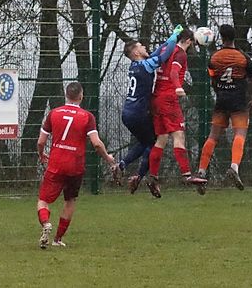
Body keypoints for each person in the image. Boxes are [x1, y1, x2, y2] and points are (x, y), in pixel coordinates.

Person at [36, 82, 116, 249]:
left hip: (56, 163)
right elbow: (96, 144)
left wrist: (41, 154)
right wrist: (108, 158)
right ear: (81, 96)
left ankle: (46, 223)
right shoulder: (87, 116)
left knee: (43, 200)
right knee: (70, 200)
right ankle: (57, 239)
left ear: (66, 95)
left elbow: (41, 141)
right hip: (75, 166)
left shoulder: (54, 113)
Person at [117, 25, 182, 194]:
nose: (145, 47)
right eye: (141, 46)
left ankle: (123, 165)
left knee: (145, 142)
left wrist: (168, 40)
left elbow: (157, 52)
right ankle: (141, 176)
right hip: (139, 112)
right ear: (136, 52)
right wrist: (174, 37)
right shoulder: (146, 65)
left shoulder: (136, 65)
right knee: (153, 143)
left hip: (127, 112)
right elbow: (164, 55)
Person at [195, 24, 252, 194]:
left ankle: (201, 172)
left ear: (221, 37)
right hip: (239, 101)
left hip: (221, 101)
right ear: (234, 37)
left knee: (213, 136)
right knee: (240, 133)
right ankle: (234, 167)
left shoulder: (214, 58)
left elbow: (213, 79)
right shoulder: (243, 58)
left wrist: (220, 91)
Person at [145, 28, 206, 196]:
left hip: (156, 98)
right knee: (179, 135)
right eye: (193, 42)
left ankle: (153, 177)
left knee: (162, 138)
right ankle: (186, 175)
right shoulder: (180, 54)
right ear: (188, 41)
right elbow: (173, 72)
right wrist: (178, 87)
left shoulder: (166, 48)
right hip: (168, 98)